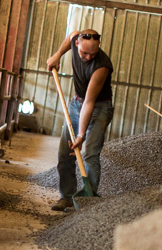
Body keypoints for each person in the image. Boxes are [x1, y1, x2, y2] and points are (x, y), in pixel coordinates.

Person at [46, 27, 114, 211]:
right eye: (84, 53)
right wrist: (57, 56)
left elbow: (90, 103)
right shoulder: (75, 38)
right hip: (77, 103)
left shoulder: (102, 66)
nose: (88, 57)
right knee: (65, 153)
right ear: (77, 43)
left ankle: (87, 201)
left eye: (93, 54)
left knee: (90, 154)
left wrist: (81, 135)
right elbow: (69, 36)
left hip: (99, 107)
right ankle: (67, 197)